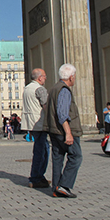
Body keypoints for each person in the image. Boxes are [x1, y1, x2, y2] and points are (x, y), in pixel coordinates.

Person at [43, 64, 82, 198]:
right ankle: (64, 185)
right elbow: (62, 113)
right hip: (64, 131)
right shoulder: (64, 90)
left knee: (58, 158)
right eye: (74, 76)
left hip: (54, 131)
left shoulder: (53, 88)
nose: (75, 79)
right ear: (71, 77)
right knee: (76, 156)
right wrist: (68, 132)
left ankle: (55, 188)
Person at [21, 68, 50, 189]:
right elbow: (46, 106)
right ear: (39, 78)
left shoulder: (27, 88)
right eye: (44, 76)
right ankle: (36, 177)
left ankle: (38, 176)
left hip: (30, 123)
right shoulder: (40, 89)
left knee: (40, 150)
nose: (46, 78)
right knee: (43, 151)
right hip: (39, 123)